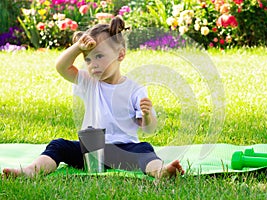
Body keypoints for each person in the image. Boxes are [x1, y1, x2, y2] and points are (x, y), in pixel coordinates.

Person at [3, 16, 184, 179]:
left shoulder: (134, 89)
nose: (92, 65)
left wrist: (146, 115)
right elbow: (61, 67)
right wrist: (78, 47)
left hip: (125, 150)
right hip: (90, 151)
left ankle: (161, 172)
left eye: (99, 56)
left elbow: (149, 128)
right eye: (88, 59)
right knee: (58, 146)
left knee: (145, 150)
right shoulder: (89, 82)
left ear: (120, 54)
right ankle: (31, 171)